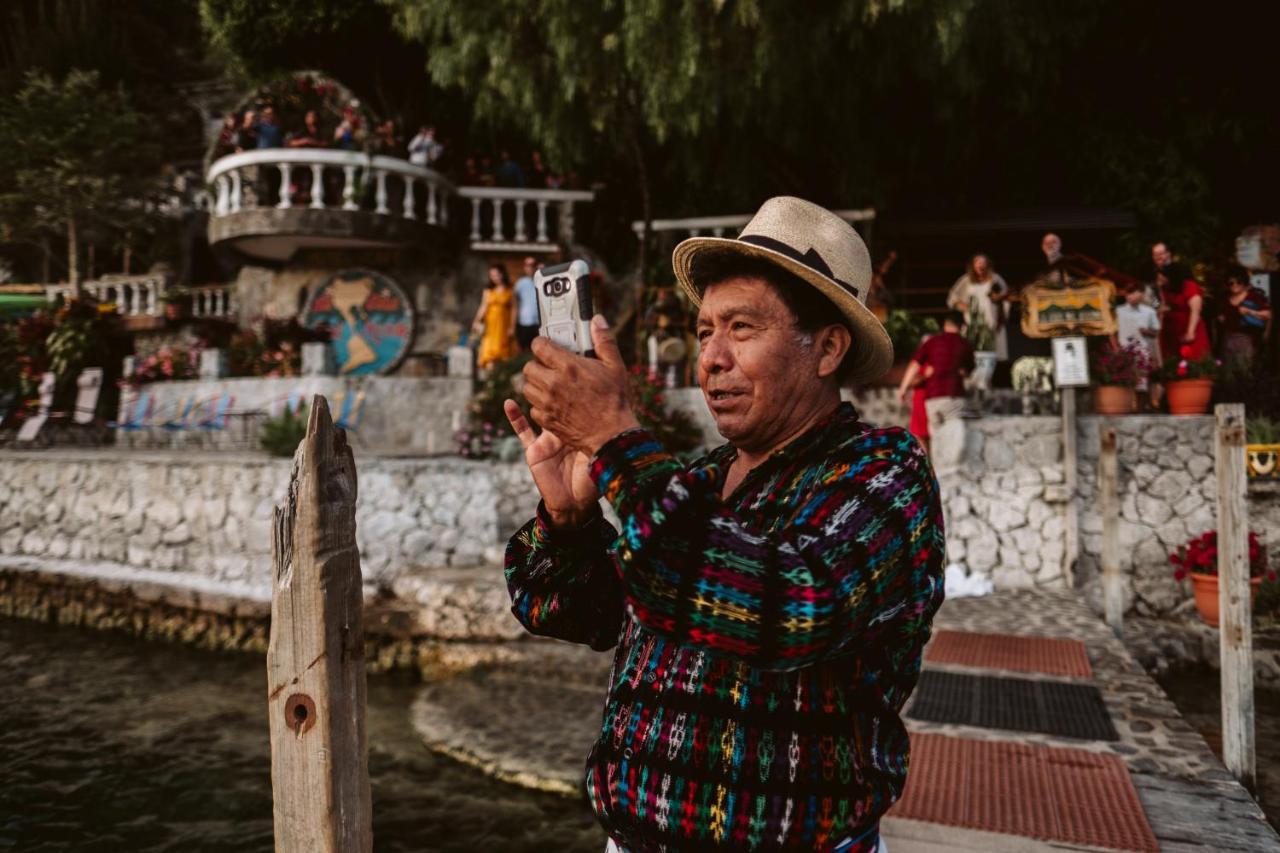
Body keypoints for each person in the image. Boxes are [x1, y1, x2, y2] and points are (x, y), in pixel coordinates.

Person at [503, 196, 944, 853]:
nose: (710, 356)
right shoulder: (701, 480)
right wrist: (569, 519)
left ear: (826, 348)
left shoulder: (885, 477)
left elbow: (786, 609)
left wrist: (620, 441)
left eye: (741, 327)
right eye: (705, 329)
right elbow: (579, 613)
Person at [896, 311, 973, 464]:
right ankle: (953, 469)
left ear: (945, 325)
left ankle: (937, 472)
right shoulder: (964, 344)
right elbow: (967, 371)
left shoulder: (932, 342)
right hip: (954, 396)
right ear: (962, 327)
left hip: (933, 399)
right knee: (953, 437)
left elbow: (913, 365)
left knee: (936, 437)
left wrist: (902, 389)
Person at [947, 253, 1009, 360]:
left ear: (988, 265)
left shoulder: (995, 279)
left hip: (992, 321)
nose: (981, 264)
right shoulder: (966, 280)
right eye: (977, 262)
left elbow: (1006, 296)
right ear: (973, 265)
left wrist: (999, 298)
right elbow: (952, 297)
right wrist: (961, 305)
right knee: (973, 354)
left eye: (983, 262)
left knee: (993, 354)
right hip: (972, 323)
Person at [1218, 265, 1272, 374]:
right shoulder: (1226, 299)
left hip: (1247, 338)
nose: (1234, 286)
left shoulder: (1253, 297)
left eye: (1238, 282)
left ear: (1244, 283)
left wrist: (1250, 312)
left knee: (1245, 370)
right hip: (1228, 338)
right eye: (1231, 283)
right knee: (1229, 372)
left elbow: (1268, 315)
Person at [1114, 280, 1160, 401]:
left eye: (1133, 293)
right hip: (1124, 348)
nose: (1130, 296)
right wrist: (1115, 347)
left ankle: (1142, 405)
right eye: (1128, 293)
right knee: (1126, 377)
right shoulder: (1118, 311)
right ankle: (1128, 404)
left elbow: (1156, 332)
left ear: (1141, 294)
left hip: (1142, 349)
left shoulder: (1149, 312)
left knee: (1143, 379)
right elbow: (1111, 331)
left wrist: (1147, 331)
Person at [1157, 263, 1210, 362]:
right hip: (1172, 329)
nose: (1159, 276)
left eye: (1163, 275)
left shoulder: (1189, 286)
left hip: (1188, 326)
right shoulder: (1165, 287)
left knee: (1193, 358)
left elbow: (1195, 310)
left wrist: (1191, 331)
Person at [471, 264, 518, 368]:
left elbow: (514, 308)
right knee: (489, 353)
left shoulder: (510, 290)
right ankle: (490, 381)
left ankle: (501, 380)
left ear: (502, 274)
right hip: (490, 326)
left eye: (496, 274)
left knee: (504, 353)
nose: (495, 277)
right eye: (492, 275)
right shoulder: (488, 290)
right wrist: (476, 321)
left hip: (503, 326)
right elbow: (483, 306)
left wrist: (512, 326)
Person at [512, 256, 541, 350]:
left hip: (539, 322)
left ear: (536, 266)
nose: (530, 268)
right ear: (524, 267)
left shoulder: (542, 281)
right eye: (527, 265)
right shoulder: (520, 283)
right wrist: (512, 325)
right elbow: (515, 305)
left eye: (532, 265)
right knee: (524, 351)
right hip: (524, 323)